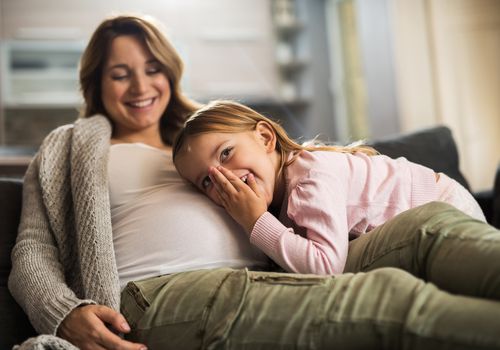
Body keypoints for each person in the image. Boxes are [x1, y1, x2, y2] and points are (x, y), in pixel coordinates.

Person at [8, 14, 500, 350]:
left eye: (152, 68)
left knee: (428, 226)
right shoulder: (68, 148)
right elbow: (31, 251)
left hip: (290, 264)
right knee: (386, 301)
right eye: (120, 74)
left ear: (170, 72)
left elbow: (301, 181)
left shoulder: (207, 136)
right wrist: (62, 312)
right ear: (96, 83)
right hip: (160, 292)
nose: (140, 86)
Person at [172, 100, 487, 275]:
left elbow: (326, 266)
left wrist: (256, 221)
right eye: (207, 180)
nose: (224, 177)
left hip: (445, 210)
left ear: (265, 138)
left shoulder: (309, 179)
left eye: (226, 153)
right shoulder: (282, 193)